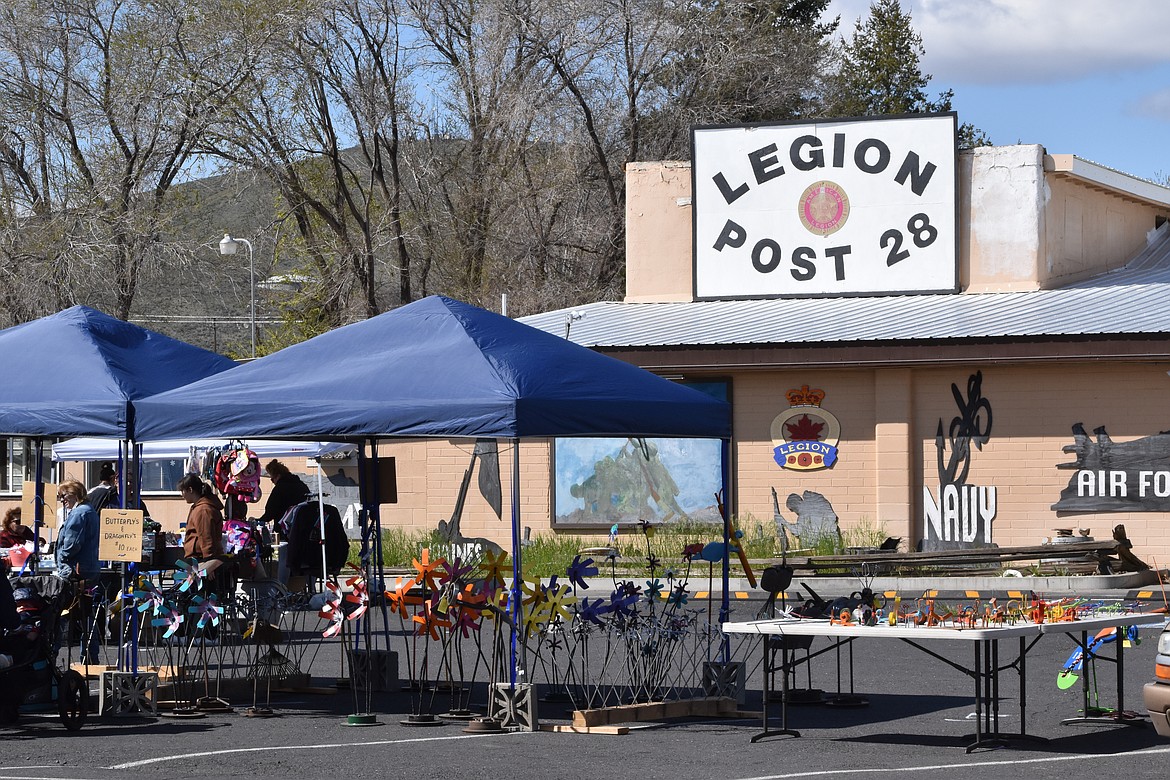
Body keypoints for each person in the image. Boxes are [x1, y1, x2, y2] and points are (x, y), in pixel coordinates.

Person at [54, 480, 100, 581]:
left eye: (63, 495)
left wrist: (62, 557)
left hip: (76, 569)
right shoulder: (88, 509)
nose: (61, 500)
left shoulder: (78, 513)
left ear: (74, 493)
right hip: (88, 567)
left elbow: (73, 543)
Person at [178, 474, 225, 561]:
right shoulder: (199, 507)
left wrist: (209, 563)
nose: (182, 495)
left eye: (182, 491)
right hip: (200, 559)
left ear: (190, 490)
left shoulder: (203, 510)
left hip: (202, 559)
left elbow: (206, 537)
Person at [257, 460, 311, 526]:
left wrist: (259, 520)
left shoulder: (280, 487)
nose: (272, 482)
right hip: (304, 524)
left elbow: (271, 510)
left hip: (285, 526)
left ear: (278, 476)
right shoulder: (301, 485)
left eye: (272, 479)